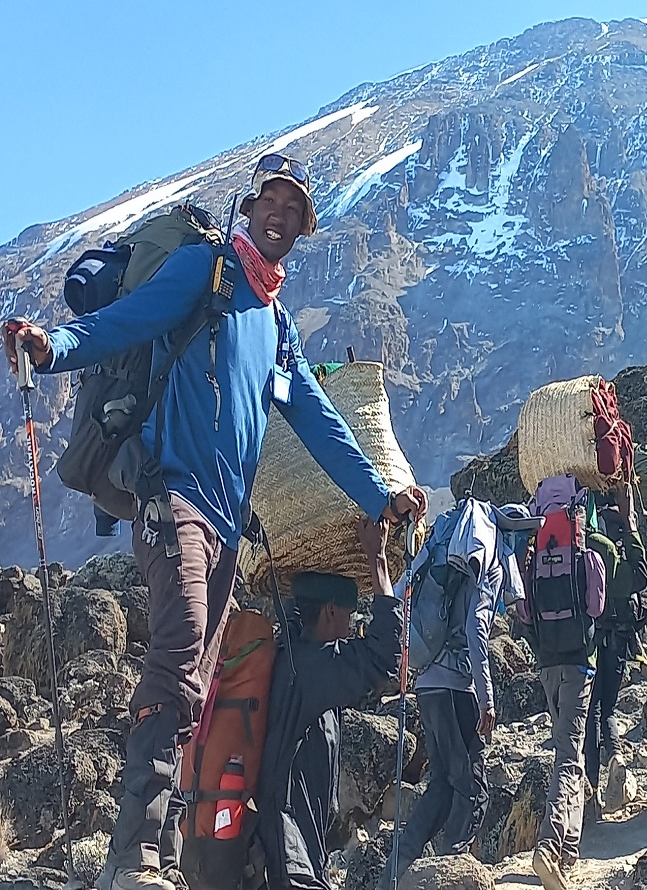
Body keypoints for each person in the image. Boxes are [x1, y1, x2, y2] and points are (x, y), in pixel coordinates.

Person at [5, 154, 427, 890]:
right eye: (272, 203)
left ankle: (165, 855)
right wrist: (54, 348)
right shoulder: (207, 272)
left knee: (199, 680)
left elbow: (320, 421)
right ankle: (133, 856)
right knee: (179, 652)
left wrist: (378, 498)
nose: (280, 217)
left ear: (303, 228)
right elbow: (125, 322)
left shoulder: (275, 320)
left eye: (294, 211)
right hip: (174, 495)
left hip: (229, 523)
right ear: (249, 207)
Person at [376, 500, 539, 886]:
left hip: (427, 686)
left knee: (441, 788)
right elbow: (476, 629)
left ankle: (393, 876)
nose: (529, 551)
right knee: (473, 789)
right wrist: (487, 699)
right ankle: (452, 873)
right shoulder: (492, 559)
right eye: (528, 541)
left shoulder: (456, 551)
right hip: (456, 688)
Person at [257, 519, 403, 890]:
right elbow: (385, 656)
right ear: (330, 612)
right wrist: (377, 558)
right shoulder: (314, 667)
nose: (352, 625)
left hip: (282, 836)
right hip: (288, 842)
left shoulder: (290, 654)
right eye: (350, 615)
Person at [516, 477, 607, 890]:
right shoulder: (587, 554)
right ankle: (549, 845)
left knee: (569, 748)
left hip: (547, 665)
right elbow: (596, 607)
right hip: (579, 664)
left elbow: (525, 614)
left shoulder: (534, 557)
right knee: (569, 756)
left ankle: (569, 847)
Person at [583, 485, 647, 823]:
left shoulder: (583, 540)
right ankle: (617, 758)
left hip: (589, 639)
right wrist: (631, 523)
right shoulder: (619, 536)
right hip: (620, 634)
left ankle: (592, 789)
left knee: (591, 710)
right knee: (608, 706)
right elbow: (640, 577)